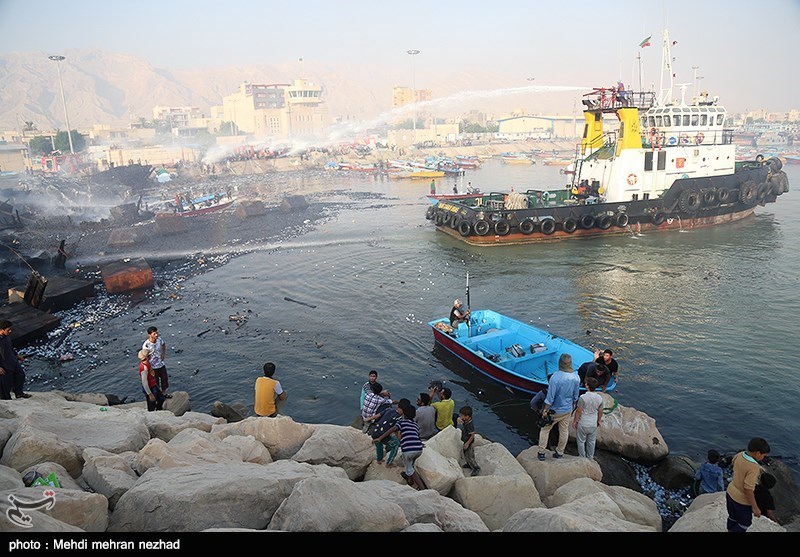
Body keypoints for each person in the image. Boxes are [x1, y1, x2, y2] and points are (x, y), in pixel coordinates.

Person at [537, 353, 580, 461]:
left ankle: (541, 452)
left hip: (555, 410)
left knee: (545, 429)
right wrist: (573, 407)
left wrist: (545, 410)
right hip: (568, 409)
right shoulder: (576, 377)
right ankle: (560, 452)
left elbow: (550, 398)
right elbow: (576, 396)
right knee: (564, 430)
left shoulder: (555, 377)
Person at [726, 437, 771, 533]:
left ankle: (730, 529)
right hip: (741, 500)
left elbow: (733, 463)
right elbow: (748, 489)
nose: (763, 458)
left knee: (733, 517)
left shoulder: (740, 455)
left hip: (730, 492)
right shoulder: (754, 467)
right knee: (744, 523)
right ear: (757, 453)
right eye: (763, 455)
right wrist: (755, 507)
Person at [370, 398, 410, 466]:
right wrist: (400, 440)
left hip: (375, 432)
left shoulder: (389, 410)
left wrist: (368, 419)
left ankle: (379, 460)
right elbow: (397, 432)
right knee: (395, 445)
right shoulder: (399, 418)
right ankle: (389, 463)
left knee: (379, 446)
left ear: (398, 406)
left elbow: (378, 416)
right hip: (383, 435)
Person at [573, 377, 603, 460]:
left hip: (583, 422)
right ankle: (590, 457)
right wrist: (599, 420)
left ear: (587, 386)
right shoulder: (600, 398)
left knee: (581, 441)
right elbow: (600, 411)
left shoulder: (583, 397)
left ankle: (582, 457)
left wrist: (575, 421)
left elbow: (579, 411)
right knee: (592, 441)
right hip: (593, 423)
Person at [0, 320, 31, 399]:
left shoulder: (7, 337)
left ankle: (19, 393)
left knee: (20, 375)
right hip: (4, 365)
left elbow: (10, 348)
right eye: (8, 330)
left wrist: (17, 355)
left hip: (12, 361)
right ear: (1, 329)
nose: (10, 331)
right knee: (6, 384)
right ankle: (6, 399)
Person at [142, 326, 170, 398]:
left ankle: (164, 393)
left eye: (157, 333)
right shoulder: (146, 345)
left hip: (160, 363)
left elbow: (163, 344)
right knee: (156, 382)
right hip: (152, 366)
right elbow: (144, 357)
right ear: (149, 335)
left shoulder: (159, 340)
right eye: (154, 334)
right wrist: (149, 368)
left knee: (164, 379)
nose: (156, 335)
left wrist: (163, 353)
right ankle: (158, 396)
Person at [458, 406, 480, 476]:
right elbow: (461, 421)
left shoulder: (470, 424)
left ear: (467, 416)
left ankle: (476, 468)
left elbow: (472, 435)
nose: (461, 417)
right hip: (465, 440)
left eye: (462, 415)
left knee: (470, 455)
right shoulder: (466, 420)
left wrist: (467, 443)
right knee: (465, 453)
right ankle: (468, 464)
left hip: (469, 442)